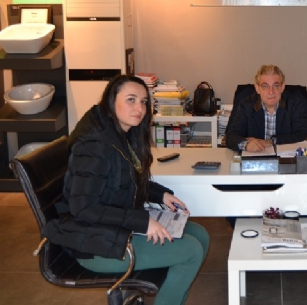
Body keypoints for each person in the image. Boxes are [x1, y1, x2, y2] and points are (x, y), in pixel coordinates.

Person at [43, 74, 209, 305]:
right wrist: (143, 222)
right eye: (131, 99)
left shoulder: (119, 134)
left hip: (113, 228)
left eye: (143, 102)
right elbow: (83, 208)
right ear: (112, 101)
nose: (139, 108)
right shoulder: (94, 146)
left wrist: (160, 194)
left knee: (200, 235)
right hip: (95, 244)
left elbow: (125, 180)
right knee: (191, 251)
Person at [225, 64, 307, 152]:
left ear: (282, 87)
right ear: (257, 88)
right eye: (265, 86)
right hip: (256, 157)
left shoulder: (294, 104)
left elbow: (304, 134)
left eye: (275, 86)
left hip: (285, 158)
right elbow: (231, 136)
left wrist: (272, 141)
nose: (271, 92)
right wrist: (246, 145)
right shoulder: (246, 106)